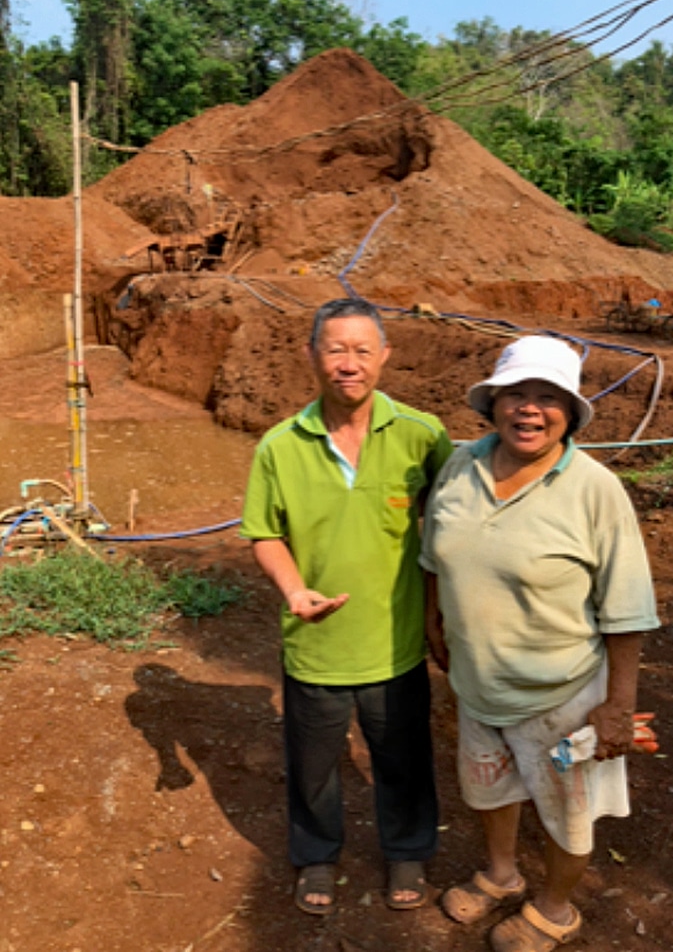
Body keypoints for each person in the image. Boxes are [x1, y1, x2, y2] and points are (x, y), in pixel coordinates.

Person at [420, 335, 659, 952]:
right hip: (477, 684)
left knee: (566, 814)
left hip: (563, 696)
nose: (529, 409)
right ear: (493, 404)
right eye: (516, 394)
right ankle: (501, 875)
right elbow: (434, 557)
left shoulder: (594, 489)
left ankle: (555, 909)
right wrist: (433, 623)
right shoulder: (461, 465)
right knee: (489, 789)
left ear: (571, 412)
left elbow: (627, 609)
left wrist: (617, 707)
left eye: (547, 397)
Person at [240, 297, 454, 915]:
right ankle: (316, 856)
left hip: (396, 640)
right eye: (336, 349)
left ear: (385, 356)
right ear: (312, 356)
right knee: (313, 766)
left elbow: (450, 527)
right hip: (315, 643)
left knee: (404, 757)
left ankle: (408, 848)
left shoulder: (423, 435)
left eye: (363, 350)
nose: (349, 364)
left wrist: (440, 614)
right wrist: (292, 589)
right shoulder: (280, 445)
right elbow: (263, 531)